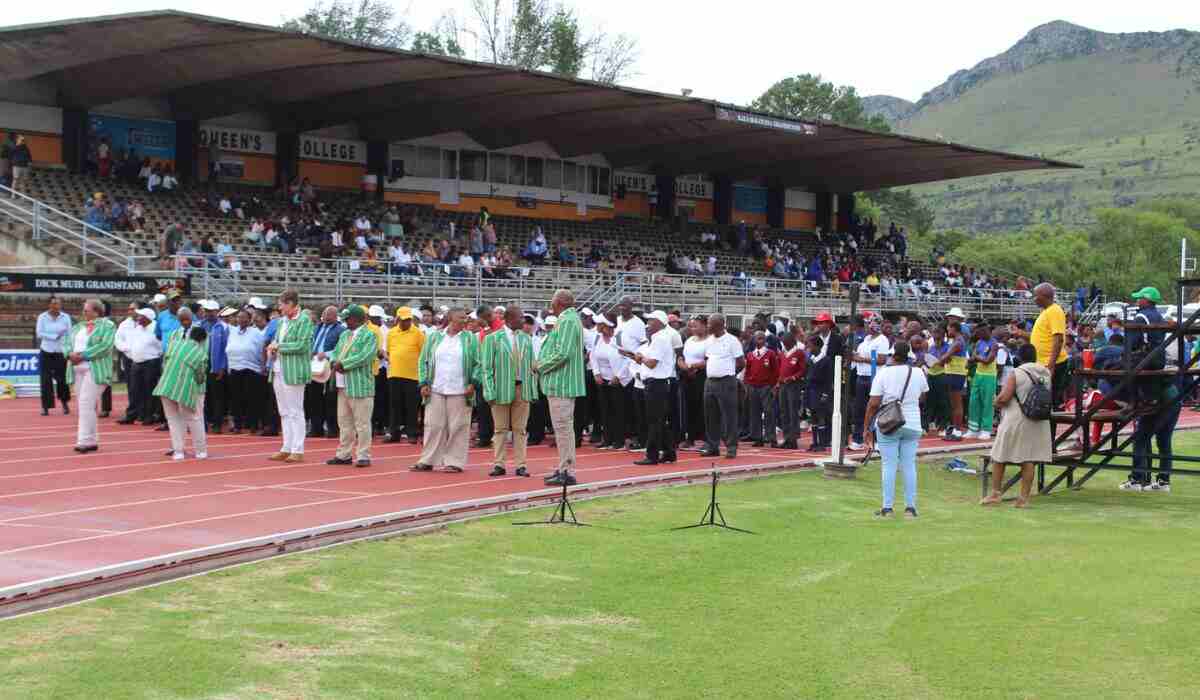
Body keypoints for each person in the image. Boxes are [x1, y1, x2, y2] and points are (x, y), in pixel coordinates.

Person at [863, 341, 929, 518]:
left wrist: (866, 428)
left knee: (889, 465)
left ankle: (887, 508)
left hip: (889, 423)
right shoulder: (918, 372)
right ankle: (910, 508)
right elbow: (923, 396)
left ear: (892, 355)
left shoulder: (884, 373)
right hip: (913, 422)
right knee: (909, 465)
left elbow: (873, 403)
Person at [983, 343, 1051, 507]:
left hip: (1016, 419)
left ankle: (995, 494)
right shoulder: (1046, 373)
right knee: (1028, 459)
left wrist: (996, 401)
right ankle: (1023, 498)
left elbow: (1005, 398)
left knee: (999, 456)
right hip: (1037, 420)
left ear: (1019, 357)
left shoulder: (1017, 372)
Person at [412, 308, 480, 473]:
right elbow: (423, 361)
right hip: (436, 388)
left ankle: (454, 462)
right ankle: (428, 459)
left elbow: (479, 363)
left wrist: (474, 382)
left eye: (466, 318)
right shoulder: (435, 337)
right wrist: (423, 383)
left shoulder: (470, 339)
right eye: (461, 317)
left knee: (458, 426)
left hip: (461, 389)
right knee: (433, 425)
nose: (464, 321)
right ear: (450, 318)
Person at [482, 304, 538, 477]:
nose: (523, 320)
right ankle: (499, 464)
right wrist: (489, 392)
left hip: (522, 389)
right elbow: (486, 368)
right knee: (500, 429)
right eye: (520, 317)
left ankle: (521, 464)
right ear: (509, 319)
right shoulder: (493, 339)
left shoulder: (526, 339)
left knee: (520, 429)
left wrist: (532, 390)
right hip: (500, 390)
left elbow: (531, 367)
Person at [537, 289, 587, 485]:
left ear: (559, 303)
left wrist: (540, 366)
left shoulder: (567, 320)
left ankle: (567, 471)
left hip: (562, 383)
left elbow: (563, 353)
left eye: (552, 302)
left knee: (564, 429)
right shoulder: (570, 319)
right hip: (562, 383)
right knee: (563, 429)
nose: (551, 306)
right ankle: (563, 468)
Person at [325, 305, 379, 468]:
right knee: (344, 422)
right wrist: (334, 361)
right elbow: (335, 351)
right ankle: (344, 454)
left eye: (348, 319)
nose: (346, 322)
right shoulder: (345, 334)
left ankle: (363, 455)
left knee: (362, 423)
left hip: (360, 384)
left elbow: (365, 356)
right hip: (343, 384)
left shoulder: (369, 335)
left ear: (357, 319)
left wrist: (344, 364)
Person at [267, 289, 315, 463]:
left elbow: (302, 345)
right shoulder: (282, 322)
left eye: (281, 304)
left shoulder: (304, 320)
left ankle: (298, 449)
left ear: (290, 304)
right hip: (279, 368)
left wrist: (279, 347)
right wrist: (272, 347)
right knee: (284, 411)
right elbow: (278, 341)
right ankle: (286, 447)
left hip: (294, 370)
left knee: (295, 410)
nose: (279, 308)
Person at [65, 299, 116, 453]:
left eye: (86, 310)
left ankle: (83, 441)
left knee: (86, 403)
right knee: (86, 404)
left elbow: (105, 346)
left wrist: (84, 355)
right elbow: (66, 343)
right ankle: (92, 440)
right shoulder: (77, 327)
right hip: (77, 369)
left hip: (95, 369)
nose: (83, 312)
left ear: (96, 311)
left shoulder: (108, 325)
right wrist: (69, 354)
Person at [154, 325, 209, 460]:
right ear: (203, 340)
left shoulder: (174, 344)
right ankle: (200, 451)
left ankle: (178, 452)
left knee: (173, 421)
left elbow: (165, 362)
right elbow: (200, 377)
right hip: (184, 389)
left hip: (165, 386)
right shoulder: (201, 353)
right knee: (194, 419)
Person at [634, 311, 678, 465]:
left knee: (654, 421)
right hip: (654, 383)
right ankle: (669, 452)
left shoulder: (660, 339)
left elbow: (652, 363)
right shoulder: (656, 339)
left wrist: (641, 358)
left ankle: (652, 455)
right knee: (658, 420)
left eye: (651, 320)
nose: (648, 323)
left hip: (657, 383)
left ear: (659, 322)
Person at [1017, 283, 1069, 407]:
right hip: (1043, 363)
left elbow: (1058, 339)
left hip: (1052, 363)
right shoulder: (1046, 312)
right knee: (1043, 401)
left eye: (1036, 296)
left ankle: (1050, 427)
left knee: (1049, 401)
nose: (1034, 299)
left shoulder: (1055, 311)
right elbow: (1041, 337)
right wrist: (1021, 334)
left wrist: (1051, 365)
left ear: (1044, 296)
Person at [701, 313, 745, 459]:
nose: (707, 326)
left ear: (719, 325)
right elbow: (708, 358)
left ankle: (731, 447)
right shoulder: (709, 340)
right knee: (710, 416)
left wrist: (729, 374)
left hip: (726, 381)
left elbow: (741, 362)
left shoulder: (732, 341)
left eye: (709, 324)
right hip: (710, 382)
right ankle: (713, 446)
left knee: (729, 416)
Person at [850, 319, 892, 450]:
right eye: (868, 323)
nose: (868, 325)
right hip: (861, 376)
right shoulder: (866, 339)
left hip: (874, 377)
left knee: (874, 409)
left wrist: (861, 359)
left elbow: (881, 360)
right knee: (859, 409)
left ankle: (877, 440)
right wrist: (855, 356)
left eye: (870, 323)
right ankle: (858, 439)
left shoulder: (882, 340)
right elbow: (860, 355)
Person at [385, 306, 425, 443]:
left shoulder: (418, 333)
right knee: (394, 405)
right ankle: (394, 432)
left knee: (411, 405)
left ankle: (412, 433)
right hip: (394, 373)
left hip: (412, 375)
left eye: (408, 319)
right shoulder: (391, 333)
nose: (407, 322)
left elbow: (423, 353)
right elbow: (389, 351)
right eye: (403, 320)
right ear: (397, 319)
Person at [590, 315, 628, 449]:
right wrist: (596, 373)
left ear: (607, 325)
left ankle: (619, 440)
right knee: (605, 410)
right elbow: (592, 356)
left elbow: (628, 358)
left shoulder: (620, 337)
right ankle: (607, 439)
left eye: (600, 323)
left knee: (618, 410)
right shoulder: (596, 338)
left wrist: (618, 376)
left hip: (617, 380)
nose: (597, 326)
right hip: (602, 379)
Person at [226, 308, 266, 434]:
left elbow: (262, 349)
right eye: (239, 317)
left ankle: (253, 425)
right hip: (234, 367)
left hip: (251, 368)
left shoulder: (256, 332)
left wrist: (263, 366)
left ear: (249, 320)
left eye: (244, 317)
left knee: (251, 398)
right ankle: (238, 425)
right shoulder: (232, 331)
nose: (241, 320)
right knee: (236, 398)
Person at [120, 308, 163, 426]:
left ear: (147, 318)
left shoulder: (155, 328)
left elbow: (160, 346)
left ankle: (149, 415)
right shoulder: (138, 328)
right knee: (134, 390)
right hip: (136, 362)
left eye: (140, 316)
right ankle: (133, 414)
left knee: (149, 390)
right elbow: (132, 344)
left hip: (151, 362)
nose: (138, 318)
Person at [307, 306, 344, 438]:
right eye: (324, 314)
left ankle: (332, 428)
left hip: (329, 365)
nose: (325, 317)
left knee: (330, 397)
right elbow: (312, 341)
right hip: (314, 363)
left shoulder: (340, 330)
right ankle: (316, 428)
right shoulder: (317, 327)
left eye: (329, 315)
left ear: (335, 317)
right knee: (314, 396)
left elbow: (340, 348)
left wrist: (327, 354)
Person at [36, 296, 72, 416]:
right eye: (54, 304)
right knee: (45, 380)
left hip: (60, 352)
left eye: (58, 304)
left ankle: (64, 403)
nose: (57, 306)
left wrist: (68, 346)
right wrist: (54, 336)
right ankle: (45, 407)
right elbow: (39, 333)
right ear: (49, 305)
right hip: (46, 351)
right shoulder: (42, 317)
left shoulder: (65, 317)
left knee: (62, 379)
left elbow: (69, 333)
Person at [743, 330, 779, 448]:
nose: (760, 341)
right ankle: (757, 437)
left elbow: (776, 371)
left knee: (769, 412)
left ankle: (771, 437)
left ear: (765, 340)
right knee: (754, 413)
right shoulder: (750, 355)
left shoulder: (770, 354)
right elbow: (747, 371)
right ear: (754, 340)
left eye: (762, 338)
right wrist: (747, 385)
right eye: (758, 338)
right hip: (753, 387)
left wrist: (774, 385)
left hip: (766, 387)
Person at [678, 316, 710, 448]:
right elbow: (682, 357)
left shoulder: (710, 341)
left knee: (703, 408)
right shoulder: (689, 340)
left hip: (702, 376)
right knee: (689, 407)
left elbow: (709, 359)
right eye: (691, 326)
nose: (692, 328)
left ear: (704, 326)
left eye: (695, 326)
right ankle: (690, 437)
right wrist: (684, 366)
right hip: (687, 376)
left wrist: (694, 367)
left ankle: (706, 438)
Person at [199, 300, 230, 433]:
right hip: (201, 364)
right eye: (206, 311)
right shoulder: (200, 325)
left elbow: (226, 349)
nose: (208, 313)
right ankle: (203, 424)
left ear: (217, 312)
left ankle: (217, 423)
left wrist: (223, 367)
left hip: (216, 365)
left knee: (217, 396)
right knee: (202, 396)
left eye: (211, 311)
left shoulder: (223, 327)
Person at [935, 320, 969, 441]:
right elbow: (950, 357)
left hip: (956, 374)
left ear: (954, 329)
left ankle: (958, 430)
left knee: (957, 404)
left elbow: (945, 357)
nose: (947, 332)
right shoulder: (957, 341)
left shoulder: (958, 342)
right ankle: (955, 429)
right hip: (953, 373)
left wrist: (940, 360)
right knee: (954, 404)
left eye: (949, 329)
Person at [776, 327, 807, 450]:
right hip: (783, 384)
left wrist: (793, 378)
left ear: (792, 342)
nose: (785, 344)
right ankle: (786, 437)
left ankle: (793, 439)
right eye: (784, 343)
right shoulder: (783, 354)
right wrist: (778, 382)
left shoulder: (799, 353)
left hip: (793, 385)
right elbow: (780, 369)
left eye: (786, 342)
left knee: (792, 411)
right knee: (784, 412)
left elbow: (803, 369)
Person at [966, 323, 998, 439]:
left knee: (987, 403)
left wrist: (976, 357)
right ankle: (973, 429)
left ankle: (986, 429)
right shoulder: (979, 342)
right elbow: (976, 357)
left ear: (985, 331)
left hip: (989, 376)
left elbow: (988, 360)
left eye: (979, 332)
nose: (977, 334)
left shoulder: (994, 344)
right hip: (978, 375)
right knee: (974, 402)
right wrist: (974, 358)